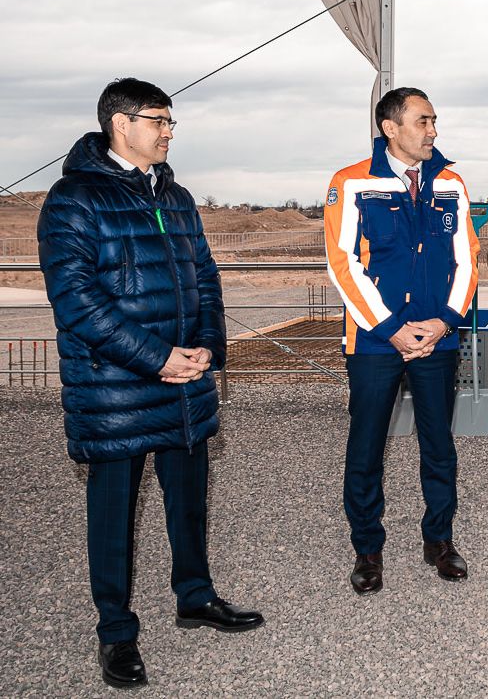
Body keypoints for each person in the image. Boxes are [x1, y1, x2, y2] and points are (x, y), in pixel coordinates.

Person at [37, 77, 264, 690]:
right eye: (158, 120)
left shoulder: (176, 195)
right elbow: (76, 301)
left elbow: (205, 276)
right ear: (121, 124)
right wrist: (156, 357)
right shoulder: (74, 199)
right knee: (113, 515)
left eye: (170, 122)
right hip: (115, 389)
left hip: (185, 381)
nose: (168, 132)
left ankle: (196, 596)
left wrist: (208, 347)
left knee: (188, 503)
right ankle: (116, 632)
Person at [324, 87, 480, 594]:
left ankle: (440, 539)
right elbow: (342, 263)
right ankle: (367, 548)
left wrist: (445, 322)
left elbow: (467, 259)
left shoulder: (450, 182)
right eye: (422, 121)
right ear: (390, 128)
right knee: (367, 446)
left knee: (439, 444)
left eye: (434, 121)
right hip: (375, 341)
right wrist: (390, 328)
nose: (432, 131)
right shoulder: (351, 182)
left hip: (437, 338)